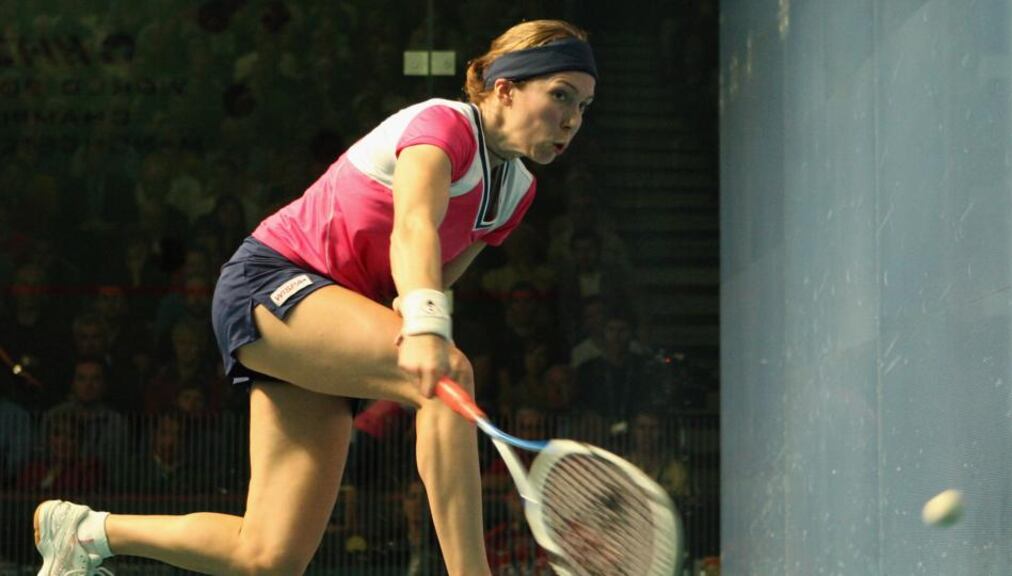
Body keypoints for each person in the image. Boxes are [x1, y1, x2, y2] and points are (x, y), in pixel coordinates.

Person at [33, 19, 597, 576]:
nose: (571, 119)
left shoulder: (516, 192)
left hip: (329, 317)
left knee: (268, 557)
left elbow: (442, 267)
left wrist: (416, 299)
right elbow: (414, 226)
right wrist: (426, 320)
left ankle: (85, 532)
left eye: (582, 107)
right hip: (273, 281)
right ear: (506, 87)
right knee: (449, 374)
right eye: (560, 96)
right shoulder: (443, 126)